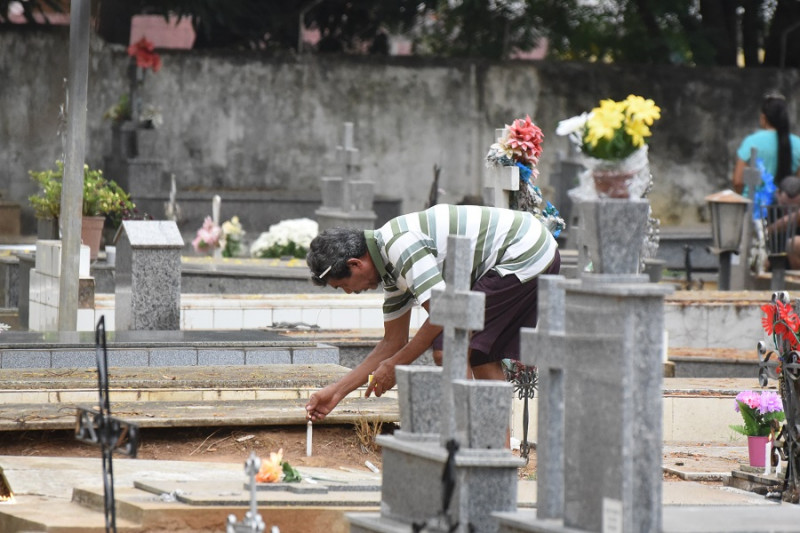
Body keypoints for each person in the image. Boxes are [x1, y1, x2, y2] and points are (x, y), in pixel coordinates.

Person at [304, 203, 560, 423]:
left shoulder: (398, 245)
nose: (349, 292)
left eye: (343, 285)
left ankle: (472, 443)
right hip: (531, 251)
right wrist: (336, 392)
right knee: (481, 356)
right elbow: (392, 342)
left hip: (523, 253)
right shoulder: (389, 269)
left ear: (355, 264)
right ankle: (496, 456)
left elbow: (442, 311)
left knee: (448, 349)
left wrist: (396, 364)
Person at [732, 92, 800, 195]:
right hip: (785, 209)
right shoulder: (797, 144)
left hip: (754, 208)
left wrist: (743, 201)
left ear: (763, 118)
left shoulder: (751, 141)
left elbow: (738, 182)